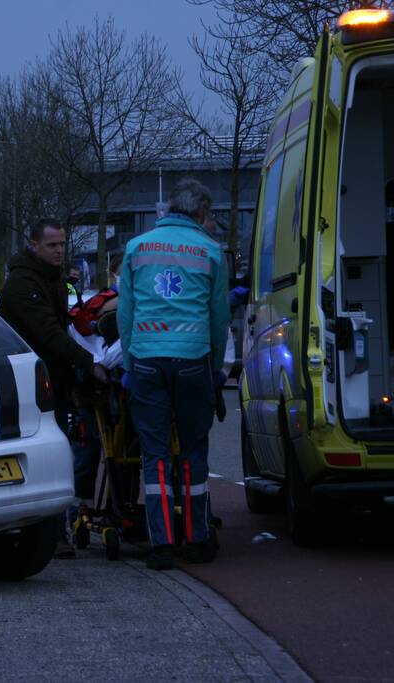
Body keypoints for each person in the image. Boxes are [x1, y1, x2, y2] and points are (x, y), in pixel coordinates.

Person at [117, 178, 230, 570]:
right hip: (193, 361)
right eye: (211, 215)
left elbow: (125, 315)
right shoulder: (211, 252)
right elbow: (219, 318)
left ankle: (161, 545)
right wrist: (215, 370)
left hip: (147, 361)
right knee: (193, 451)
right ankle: (197, 539)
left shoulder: (136, 248)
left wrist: (131, 366)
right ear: (201, 212)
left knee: (155, 456)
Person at [0, 219, 108, 554]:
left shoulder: (52, 279)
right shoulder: (23, 284)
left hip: (49, 383)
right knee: (45, 458)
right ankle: (47, 534)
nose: (60, 251)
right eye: (52, 245)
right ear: (33, 245)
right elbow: (48, 334)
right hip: (28, 388)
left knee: (55, 454)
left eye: (62, 244)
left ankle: (53, 530)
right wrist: (88, 364)